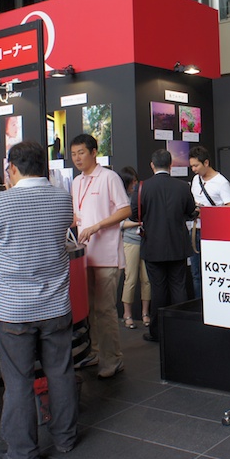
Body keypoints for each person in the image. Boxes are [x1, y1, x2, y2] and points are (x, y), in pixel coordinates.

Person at [0, 141, 77, 459]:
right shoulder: (63, 198)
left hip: (12, 310)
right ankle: (65, 438)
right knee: (60, 372)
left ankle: (23, 454)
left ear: (13, 169)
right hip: (56, 304)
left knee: (17, 381)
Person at [70, 134, 130, 378]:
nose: (77, 158)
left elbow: (125, 209)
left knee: (105, 310)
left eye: (81, 152)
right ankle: (95, 352)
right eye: (73, 154)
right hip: (85, 255)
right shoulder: (76, 182)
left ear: (94, 152)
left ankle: (113, 359)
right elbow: (78, 215)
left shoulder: (109, 177)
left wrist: (97, 226)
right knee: (90, 308)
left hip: (106, 255)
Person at [134, 150, 197, 343]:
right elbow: (190, 211)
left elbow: (134, 214)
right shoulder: (182, 187)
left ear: (152, 165)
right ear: (171, 165)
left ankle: (157, 332)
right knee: (179, 287)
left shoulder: (142, 187)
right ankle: (182, 329)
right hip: (178, 244)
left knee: (158, 289)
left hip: (153, 246)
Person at [188, 146, 230, 299]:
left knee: (214, 272)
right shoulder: (196, 180)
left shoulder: (221, 183)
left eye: (196, 166)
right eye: (192, 166)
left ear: (206, 162)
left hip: (214, 233)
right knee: (196, 273)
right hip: (195, 230)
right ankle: (199, 305)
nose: (194, 169)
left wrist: (207, 213)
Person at [117, 166, 151, 329]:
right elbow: (120, 224)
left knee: (147, 279)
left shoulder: (140, 195)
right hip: (129, 242)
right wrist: (138, 223)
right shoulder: (121, 199)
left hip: (144, 240)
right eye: (132, 182)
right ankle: (127, 314)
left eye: (136, 181)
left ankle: (145, 313)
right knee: (130, 279)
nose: (135, 184)